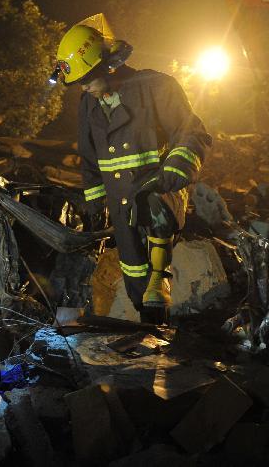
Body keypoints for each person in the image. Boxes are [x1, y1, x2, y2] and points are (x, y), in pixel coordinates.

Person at [51, 17, 211, 324]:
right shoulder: (89, 104)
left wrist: (173, 173)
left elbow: (193, 133)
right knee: (135, 275)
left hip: (157, 196)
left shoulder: (156, 87)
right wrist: (96, 203)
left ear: (106, 66)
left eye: (88, 80)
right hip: (121, 205)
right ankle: (152, 333)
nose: (84, 89)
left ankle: (161, 308)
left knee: (155, 275)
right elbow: (89, 156)